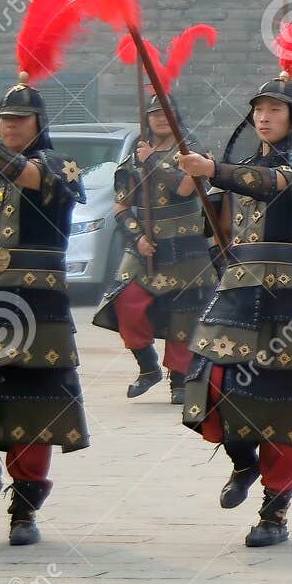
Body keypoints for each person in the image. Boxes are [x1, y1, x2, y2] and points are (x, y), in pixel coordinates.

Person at [177, 72, 292, 547]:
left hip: (291, 301)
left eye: (275, 109)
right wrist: (208, 195)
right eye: (259, 108)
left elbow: (273, 183)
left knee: (286, 406)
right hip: (237, 292)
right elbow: (222, 232)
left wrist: (215, 170)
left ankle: (275, 513)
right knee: (214, 384)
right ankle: (243, 462)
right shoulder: (240, 167)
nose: (264, 117)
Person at [0, 64, 89, 546]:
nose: (10, 126)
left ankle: (24, 510)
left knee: (33, 404)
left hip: (39, 304)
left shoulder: (58, 166)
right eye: (4, 119)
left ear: (38, 124)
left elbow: (25, 174)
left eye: (20, 120)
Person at [93, 92, 216, 404]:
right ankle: (147, 366)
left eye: (167, 112)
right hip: (146, 245)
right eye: (154, 113)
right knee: (125, 301)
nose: (161, 118)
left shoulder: (191, 150)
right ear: (146, 118)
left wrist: (152, 161)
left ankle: (180, 380)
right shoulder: (134, 157)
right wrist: (137, 238)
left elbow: (185, 187)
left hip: (186, 243)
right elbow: (121, 208)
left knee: (184, 313)